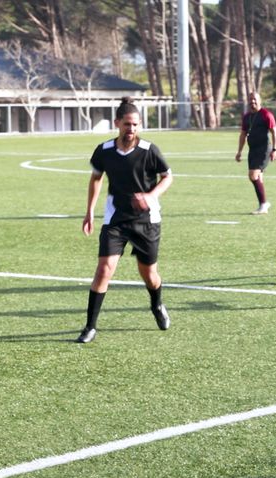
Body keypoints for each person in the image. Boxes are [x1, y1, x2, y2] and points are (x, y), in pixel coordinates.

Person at [77, 97, 174, 344]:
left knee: (149, 274)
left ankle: (157, 305)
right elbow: (96, 179)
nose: (131, 129)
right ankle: (90, 327)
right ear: (117, 123)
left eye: (136, 125)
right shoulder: (104, 151)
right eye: (127, 124)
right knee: (103, 270)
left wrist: (150, 195)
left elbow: (167, 177)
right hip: (115, 220)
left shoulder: (149, 150)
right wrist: (89, 211)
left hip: (146, 221)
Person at [235, 91, 276, 215]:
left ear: (260, 101)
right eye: (250, 99)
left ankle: (264, 204)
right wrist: (239, 152)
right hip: (252, 150)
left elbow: (274, 132)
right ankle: (263, 204)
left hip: (264, 149)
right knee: (258, 177)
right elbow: (243, 134)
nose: (252, 102)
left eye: (254, 99)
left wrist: (275, 149)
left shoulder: (266, 114)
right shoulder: (246, 116)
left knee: (253, 175)